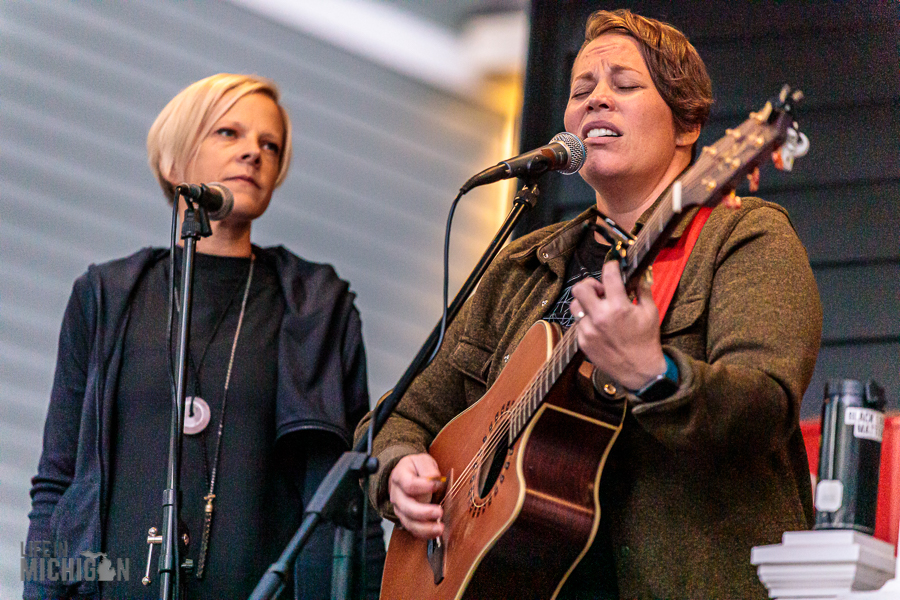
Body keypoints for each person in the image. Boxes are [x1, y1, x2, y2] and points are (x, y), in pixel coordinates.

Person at [356, 9, 822, 600]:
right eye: (582, 90)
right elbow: (402, 413)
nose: (596, 101)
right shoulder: (519, 264)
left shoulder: (744, 237)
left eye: (624, 86)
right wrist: (399, 467)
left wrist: (655, 376)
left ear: (687, 126)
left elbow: (765, 407)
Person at [26, 74, 383, 600]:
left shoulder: (318, 309)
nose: (252, 154)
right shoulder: (104, 295)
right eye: (228, 134)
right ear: (174, 163)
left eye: (270, 145)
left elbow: (354, 495)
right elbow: (56, 483)